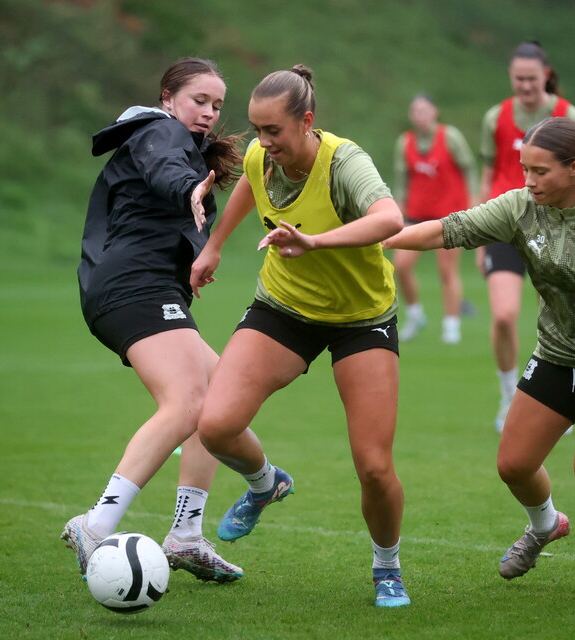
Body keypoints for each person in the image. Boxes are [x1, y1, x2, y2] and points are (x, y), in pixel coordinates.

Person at [383, 117, 575, 606]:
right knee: (514, 465)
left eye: (540, 172)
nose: (528, 182)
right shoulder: (521, 208)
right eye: (524, 169)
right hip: (558, 352)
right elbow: (450, 229)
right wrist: (378, 239)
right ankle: (547, 524)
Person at [190, 65, 411, 608]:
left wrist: (316, 243)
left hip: (362, 317)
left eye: (274, 132)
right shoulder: (261, 155)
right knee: (215, 425)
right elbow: (248, 179)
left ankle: (387, 568)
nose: (264, 143)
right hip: (284, 307)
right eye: (257, 130)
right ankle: (267, 484)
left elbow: (391, 218)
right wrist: (215, 245)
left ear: (306, 122)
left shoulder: (344, 162)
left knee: (375, 467)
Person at [60, 57, 246, 583]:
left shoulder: (179, 145)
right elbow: (169, 173)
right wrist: (188, 189)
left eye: (216, 105)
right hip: (129, 287)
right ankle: (96, 524)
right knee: (188, 401)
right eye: (198, 101)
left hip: (146, 287)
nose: (208, 113)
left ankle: (186, 536)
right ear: (168, 98)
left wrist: (192, 262)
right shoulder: (160, 131)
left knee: (219, 396)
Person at [479, 41, 575, 431]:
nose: (525, 86)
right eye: (518, 79)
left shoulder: (566, 115)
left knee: (560, 316)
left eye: (532, 78)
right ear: (511, 77)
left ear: (546, 75)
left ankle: (562, 398)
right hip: (507, 227)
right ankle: (510, 394)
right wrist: (478, 231)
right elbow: (488, 175)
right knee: (505, 315)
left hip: (556, 227)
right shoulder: (497, 117)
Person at [392, 94, 476, 344]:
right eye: (416, 111)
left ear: (435, 112)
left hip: (449, 214)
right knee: (401, 265)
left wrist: (473, 201)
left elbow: (469, 167)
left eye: (425, 110)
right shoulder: (405, 142)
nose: (421, 115)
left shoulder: (450, 137)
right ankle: (416, 315)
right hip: (415, 214)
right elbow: (401, 181)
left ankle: (451, 326)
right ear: (411, 116)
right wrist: (397, 208)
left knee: (446, 270)